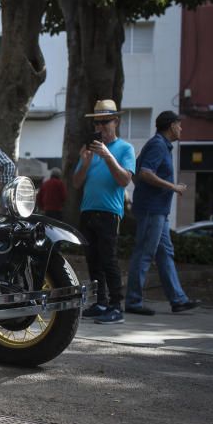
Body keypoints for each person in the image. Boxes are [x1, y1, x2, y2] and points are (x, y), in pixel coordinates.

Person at [125, 111, 201, 315]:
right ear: (171, 126)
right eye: (179, 124)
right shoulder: (158, 145)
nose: (181, 128)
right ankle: (133, 301)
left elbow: (137, 171)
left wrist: (143, 192)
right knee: (144, 253)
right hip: (153, 210)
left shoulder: (159, 145)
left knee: (165, 253)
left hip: (157, 210)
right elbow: (144, 172)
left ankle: (178, 300)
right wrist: (173, 187)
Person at [73, 99, 136, 325]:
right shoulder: (88, 151)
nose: (100, 127)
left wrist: (108, 155)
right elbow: (76, 183)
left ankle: (116, 307)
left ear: (116, 122)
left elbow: (124, 179)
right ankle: (100, 303)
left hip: (109, 212)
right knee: (93, 260)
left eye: (105, 122)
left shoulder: (125, 148)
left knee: (109, 259)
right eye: (97, 123)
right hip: (88, 211)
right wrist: (86, 162)